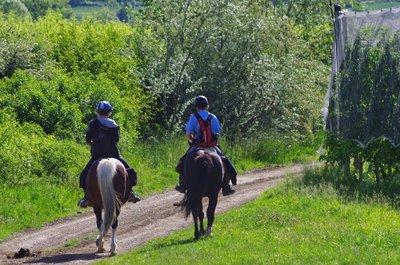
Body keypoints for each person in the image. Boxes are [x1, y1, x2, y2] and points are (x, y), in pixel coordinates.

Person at [78, 101, 141, 208]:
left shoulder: (92, 123)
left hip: (97, 155)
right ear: (109, 112)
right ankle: (130, 193)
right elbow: (116, 140)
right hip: (113, 155)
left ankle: (86, 198)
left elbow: (88, 140)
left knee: (84, 175)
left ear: (98, 111)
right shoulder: (114, 125)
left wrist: (95, 143)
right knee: (129, 171)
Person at [175, 95, 237, 196]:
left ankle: (182, 185)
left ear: (196, 106)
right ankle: (227, 186)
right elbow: (218, 133)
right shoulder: (213, 117)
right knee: (225, 161)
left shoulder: (193, 117)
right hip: (212, 147)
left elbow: (188, 134)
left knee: (184, 161)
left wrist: (194, 139)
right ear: (206, 105)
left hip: (198, 146)